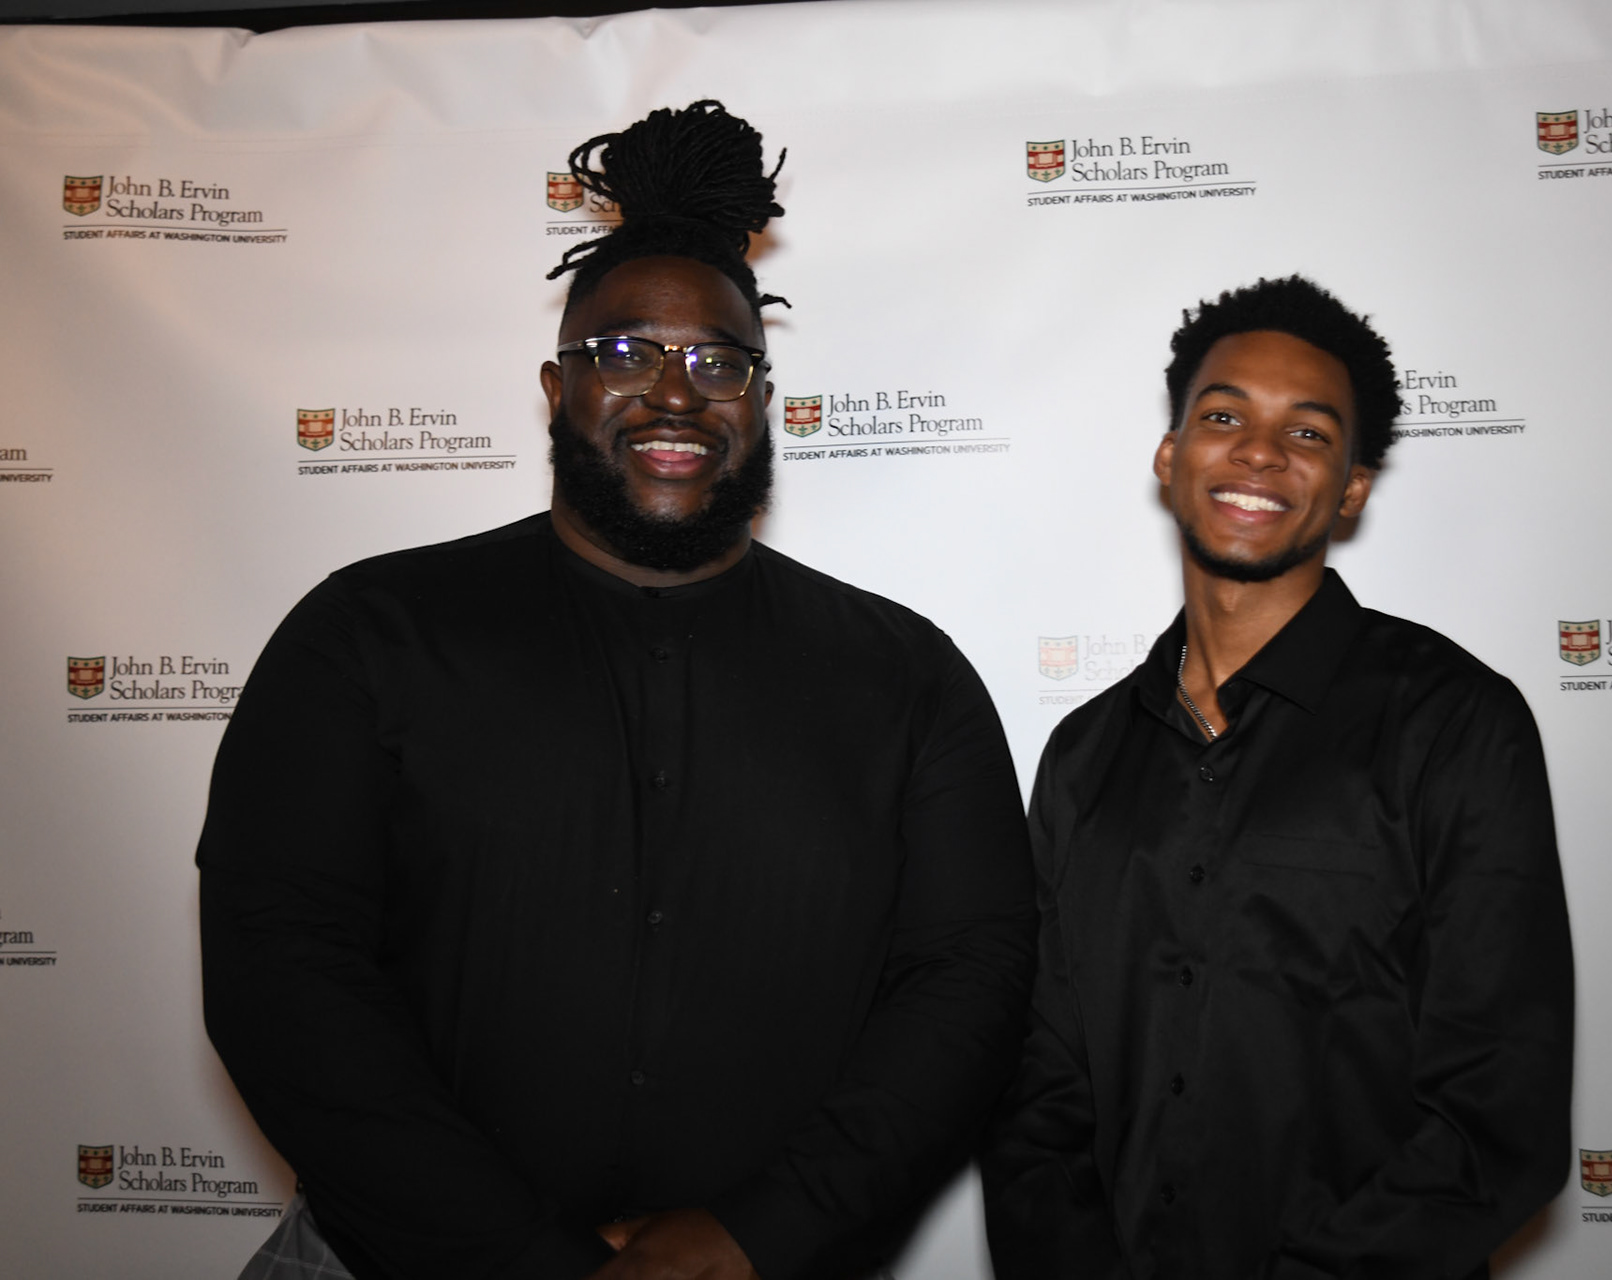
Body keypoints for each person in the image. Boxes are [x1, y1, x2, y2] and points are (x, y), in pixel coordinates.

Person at [197, 101, 1034, 1280]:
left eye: (716, 362)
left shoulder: (906, 676)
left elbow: (967, 984)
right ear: (557, 386)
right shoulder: (369, 633)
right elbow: (281, 968)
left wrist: (757, 1232)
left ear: (762, 398)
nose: (674, 393)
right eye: (626, 353)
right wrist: (523, 1257)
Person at [981, 276, 1574, 1280]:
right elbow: (1038, 1090)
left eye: (1306, 431)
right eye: (1224, 417)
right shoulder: (1084, 754)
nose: (1258, 452)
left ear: (1351, 488)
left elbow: (1497, 1115)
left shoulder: (1456, 724)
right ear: (1170, 457)